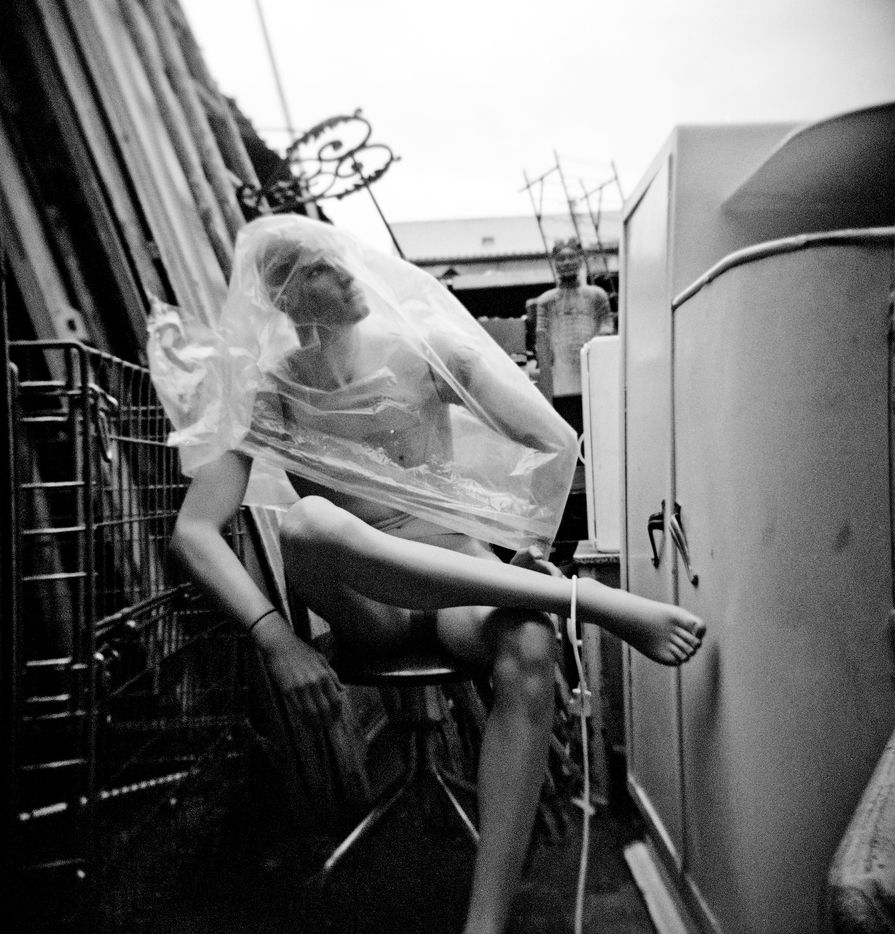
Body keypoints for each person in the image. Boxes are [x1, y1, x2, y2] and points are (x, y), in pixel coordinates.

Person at [155, 216, 704, 934]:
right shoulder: (270, 390)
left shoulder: (421, 353)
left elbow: (553, 439)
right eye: (320, 268)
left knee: (529, 643)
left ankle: (484, 925)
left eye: (341, 258)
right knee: (308, 523)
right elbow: (193, 530)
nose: (348, 273)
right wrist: (276, 639)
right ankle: (581, 599)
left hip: (459, 584)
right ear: (284, 298)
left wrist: (519, 528)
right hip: (366, 606)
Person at [534, 239, 615, 437]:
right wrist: (546, 386)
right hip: (562, 383)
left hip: (592, 379)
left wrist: (595, 347)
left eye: (571, 257)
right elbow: (542, 340)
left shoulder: (597, 295)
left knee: (597, 434)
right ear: (555, 263)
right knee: (569, 434)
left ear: (580, 260)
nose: (567, 262)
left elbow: (607, 326)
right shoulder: (546, 301)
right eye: (561, 258)